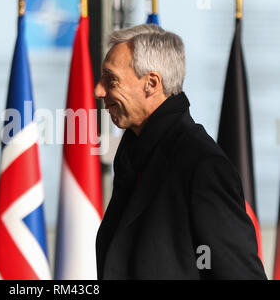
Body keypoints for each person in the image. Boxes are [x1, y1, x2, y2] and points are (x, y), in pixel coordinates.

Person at [94, 24, 266, 279]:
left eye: (111, 80)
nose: (98, 91)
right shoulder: (134, 155)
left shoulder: (201, 165)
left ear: (151, 83)